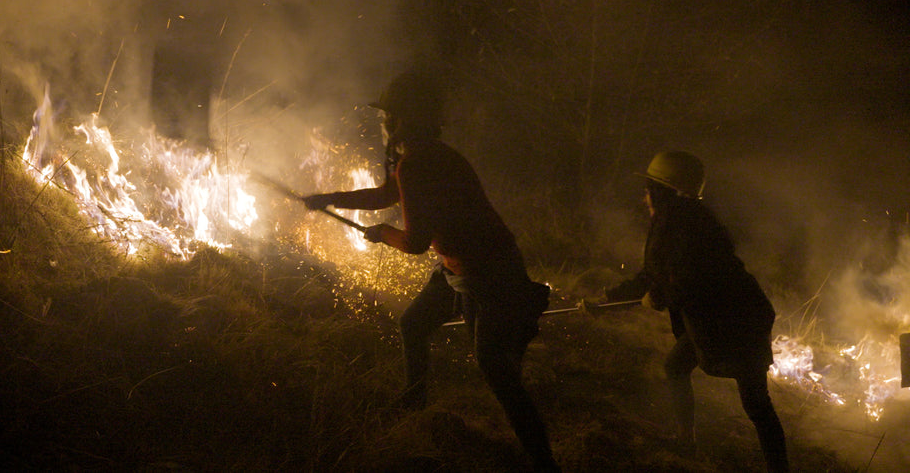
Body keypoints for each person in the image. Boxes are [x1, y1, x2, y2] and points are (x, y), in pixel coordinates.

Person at [303, 69, 559, 473]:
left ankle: (544, 463)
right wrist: (331, 198)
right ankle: (415, 403)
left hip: (487, 273)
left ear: (402, 118)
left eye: (388, 115)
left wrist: (382, 233)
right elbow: (387, 194)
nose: (384, 122)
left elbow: (415, 242)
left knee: (496, 370)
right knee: (413, 324)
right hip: (460, 267)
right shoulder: (424, 156)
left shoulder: (419, 163)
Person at [598, 151, 788, 473]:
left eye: (648, 190)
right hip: (711, 321)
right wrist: (608, 300)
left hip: (738, 322)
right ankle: (686, 441)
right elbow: (655, 274)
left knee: (757, 405)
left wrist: (659, 297)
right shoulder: (675, 220)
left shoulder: (687, 225)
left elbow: (693, 278)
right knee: (675, 366)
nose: (644, 198)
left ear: (661, 191)